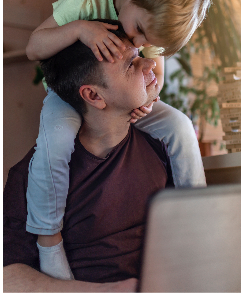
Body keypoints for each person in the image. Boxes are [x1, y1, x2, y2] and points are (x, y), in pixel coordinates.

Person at [25, 0, 209, 279]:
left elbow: (156, 75)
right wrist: (80, 29)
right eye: (138, 32)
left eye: (147, 44)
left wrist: (149, 99)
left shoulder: (149, 29)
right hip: (68, 96)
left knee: (180, 126)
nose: (138, 45)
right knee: (54, 143)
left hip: (124, 95)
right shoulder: (84, 2)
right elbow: (33, 47)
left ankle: (196, 218)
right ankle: (48, 240)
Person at [4, 27, 176, 292]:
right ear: (94, 95)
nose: (151, 62)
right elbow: (8, 277)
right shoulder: (31, 178)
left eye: (140, 54)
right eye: (131, 64)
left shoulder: (161, 150)